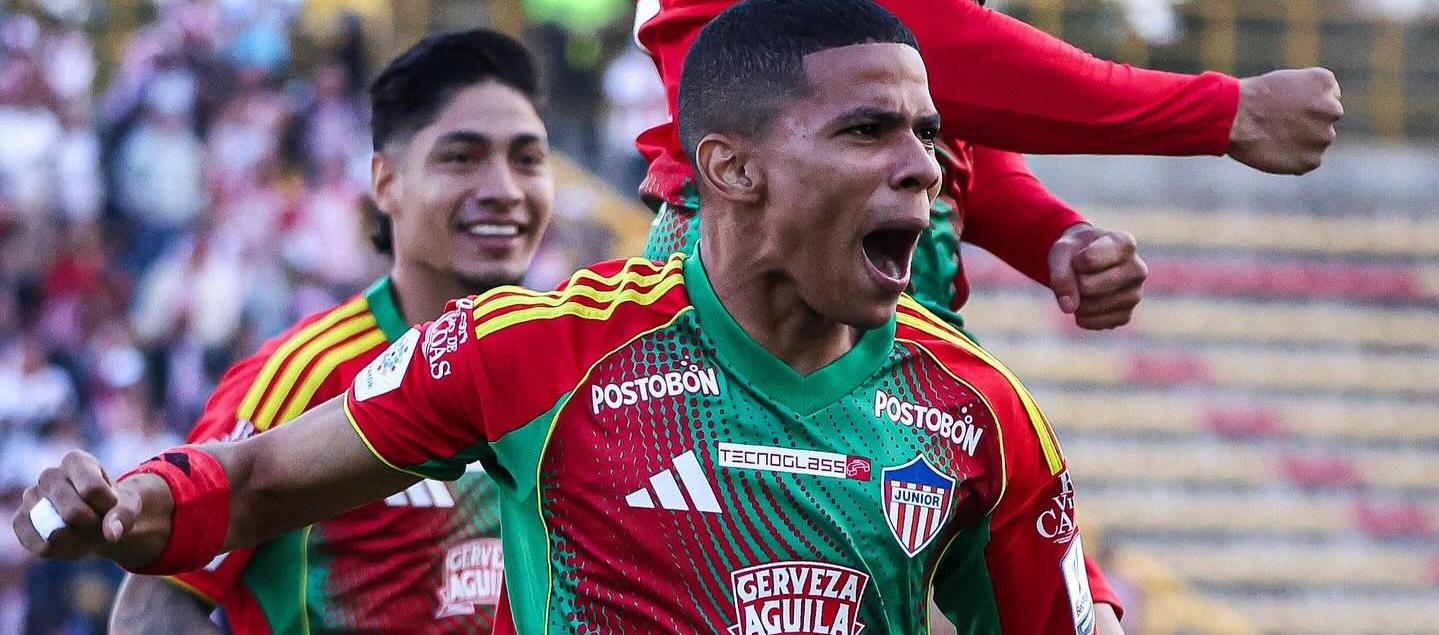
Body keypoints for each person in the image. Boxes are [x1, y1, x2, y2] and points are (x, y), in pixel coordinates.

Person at [22, 1, 1109, 631]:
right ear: (729, 167)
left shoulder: (977, 405)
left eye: (928, 134)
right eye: (870, 131)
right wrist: (118, 506)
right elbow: (242, 487)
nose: (926, 169)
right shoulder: (537, 348)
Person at [104, 30, 553, 634]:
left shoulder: (571, 369)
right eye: (461, 158)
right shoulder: (305, 376)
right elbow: (149, 607)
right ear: (385, 181)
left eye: (527, 160)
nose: (504, 190)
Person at [636, 0, 1343, 330]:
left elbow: (937, 115)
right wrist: (1226, 112)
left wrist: (1052, 234)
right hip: (760, 274)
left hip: (872, 281)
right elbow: (917, 46)